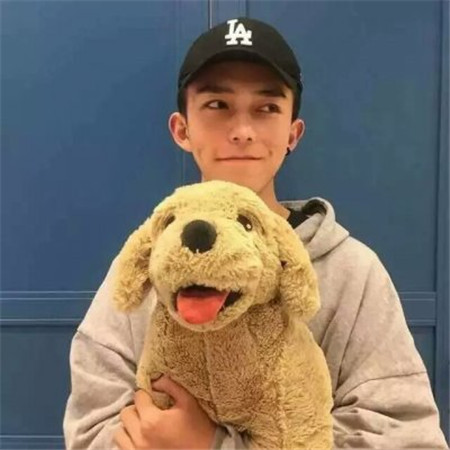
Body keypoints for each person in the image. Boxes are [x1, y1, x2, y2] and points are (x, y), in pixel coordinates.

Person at [63, 17, 448, 449]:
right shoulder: (147, 263)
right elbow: (90, 427)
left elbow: (410, 437)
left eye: (266, 109)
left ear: (293, 134)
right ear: (181, 129)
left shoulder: (352, 272)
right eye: (217, 105)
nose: (242, 131)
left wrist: (213, 445)